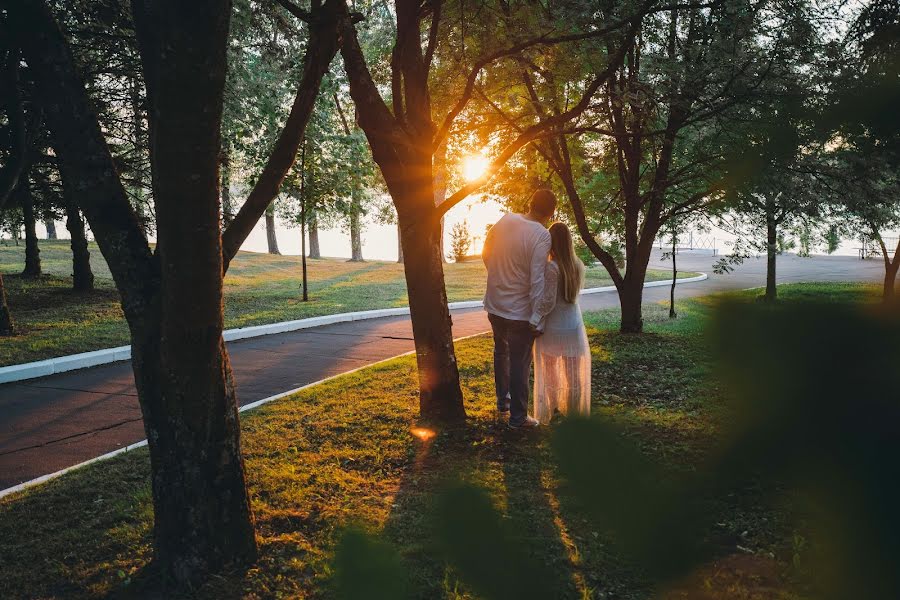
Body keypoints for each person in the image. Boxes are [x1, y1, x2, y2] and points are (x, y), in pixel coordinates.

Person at [482, 189, 557, 429]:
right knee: (519, 362)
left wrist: (496, 275)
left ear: (530, 202)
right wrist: (538, 317)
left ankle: (503, 402)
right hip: (519, 312)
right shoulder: (542, 235)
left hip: (494, 304)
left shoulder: (506, 219)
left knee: (500, 352)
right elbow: (537, 279)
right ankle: (518, 418)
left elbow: (486, 251)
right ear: (551, 212)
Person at [529, 222, 591, 423]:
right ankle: (574, 414)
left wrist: (534, 319)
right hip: (573, 326)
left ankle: (555, 411)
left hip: (554, 328)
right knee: (573, 376)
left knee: (551, 371)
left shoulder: (552, 268)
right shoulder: (578, 265)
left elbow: (547, 302)